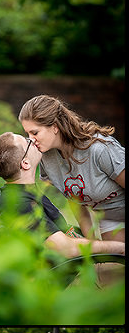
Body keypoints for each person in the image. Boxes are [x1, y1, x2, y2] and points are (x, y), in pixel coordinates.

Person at [0, 131, 126, 261]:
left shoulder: (23, 192)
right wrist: (118, 248)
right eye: (27, 141)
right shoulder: (19, 203)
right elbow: (65, 248)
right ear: (25, 163)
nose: (33, 140)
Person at [18, 95, 125, 241]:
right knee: (111, 261)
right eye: (28, 133)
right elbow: (74, 197)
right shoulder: (46, 157)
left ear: (55, 127)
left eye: (35, 132)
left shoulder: (98, 149)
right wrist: (91, 244)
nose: (31, 139)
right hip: (108, 216)